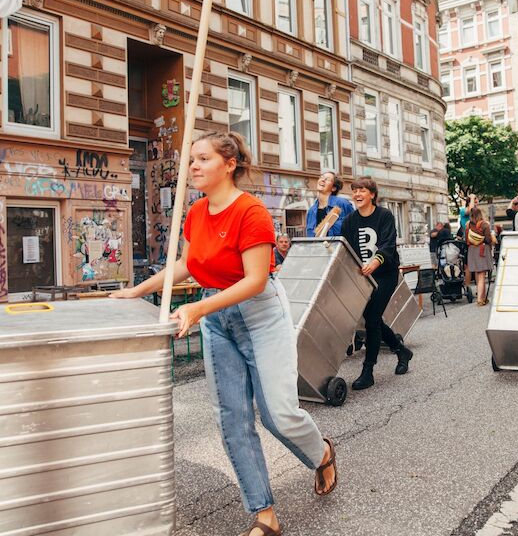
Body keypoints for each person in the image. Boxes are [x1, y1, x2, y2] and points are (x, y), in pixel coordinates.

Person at [110, 132, 337, 536]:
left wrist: (197, 308)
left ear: (229, 164)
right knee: (232, 418)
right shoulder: (196, 212)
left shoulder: (251, 212)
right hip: (217, 318)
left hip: (259, 312)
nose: (193, 166)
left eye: (202, 159)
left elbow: (253, 281)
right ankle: (264, 513)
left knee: (278, 416)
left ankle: (320, 452)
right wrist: (138, 289)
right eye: (191, 160)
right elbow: (186, 265)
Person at [341, 176, 414, 390]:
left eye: (362, 190)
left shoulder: (384, 216)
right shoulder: (349, 222)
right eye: (354, 190)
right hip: (362, 277)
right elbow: (346, 252)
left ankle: (368, 371)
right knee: (373, 319)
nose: (357, 194)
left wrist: (375, 262)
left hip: (385, 274)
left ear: (372, 194)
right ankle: (401, 351)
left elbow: (388, 244)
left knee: (372, 318)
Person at [305, 171, 354, 237]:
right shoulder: (311, 211)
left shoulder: (343, 204)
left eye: (327, 179)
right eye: (322, 177)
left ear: (333, 188)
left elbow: (354, 229)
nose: (322, 180)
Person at [465, 207, 493, 306]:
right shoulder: (484, 224)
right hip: (482, 250)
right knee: (482, 275)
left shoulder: (467, 225)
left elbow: (466, 240)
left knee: (478, 275)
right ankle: (480, 299)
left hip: (472, 250)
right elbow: (488, 240)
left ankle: (484, 297)